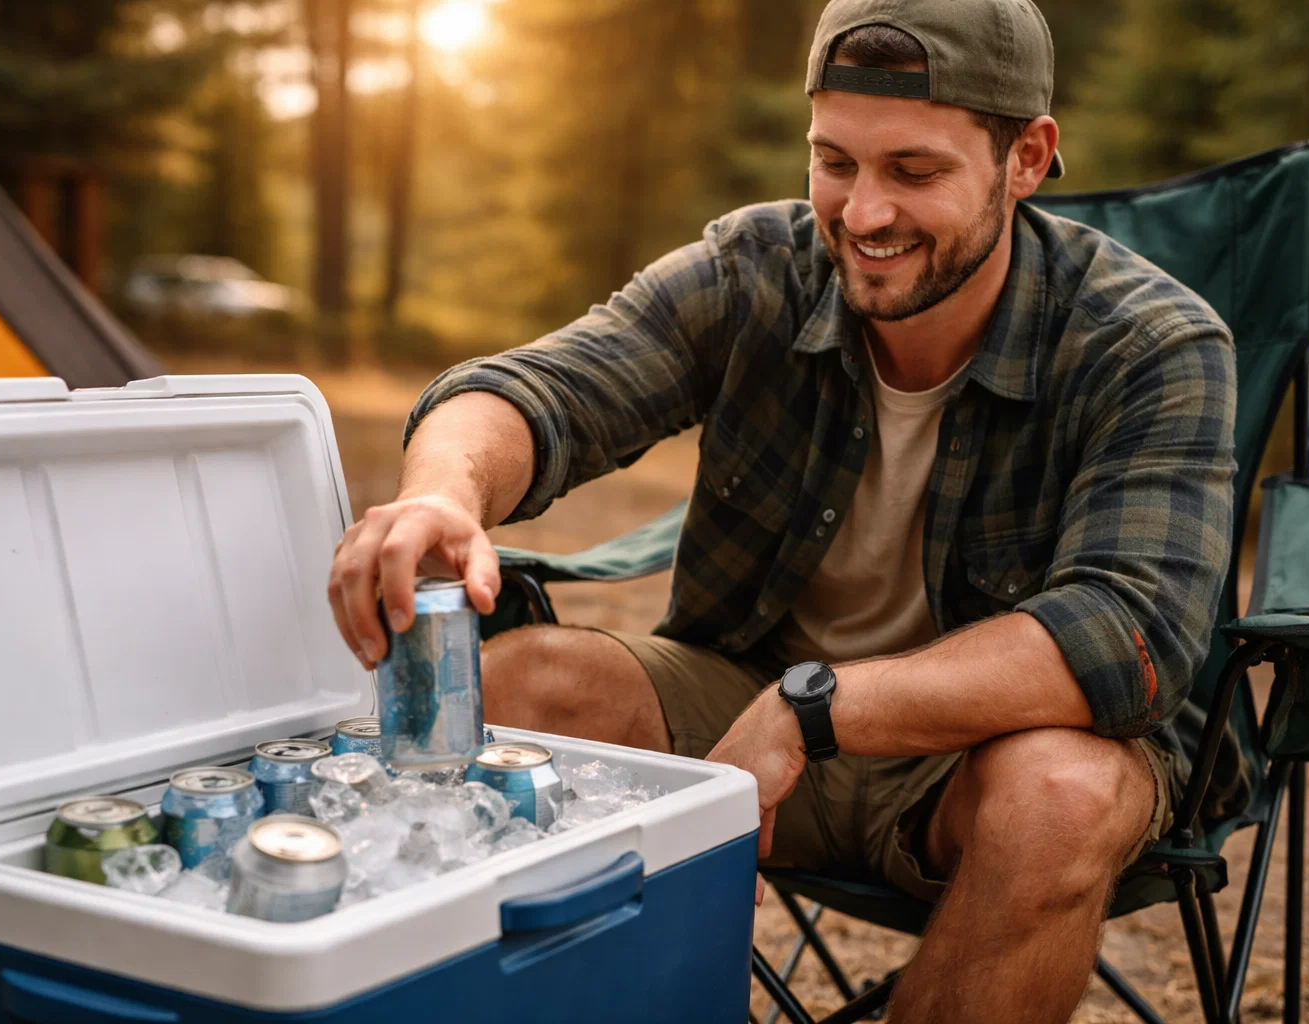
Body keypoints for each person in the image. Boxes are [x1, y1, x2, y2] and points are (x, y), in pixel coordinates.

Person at [328, 0, 1244, 1019]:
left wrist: (816, 709)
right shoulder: (757, 269)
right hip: (747, 702)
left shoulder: (1151, 340)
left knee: (1059, 795)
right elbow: (542, 389)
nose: (860, 214)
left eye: (914, 171)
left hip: (982, 751)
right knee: (530, 683)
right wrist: (441, 493)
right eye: (834, 161)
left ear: (1026, 157)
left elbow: (1131, 635)